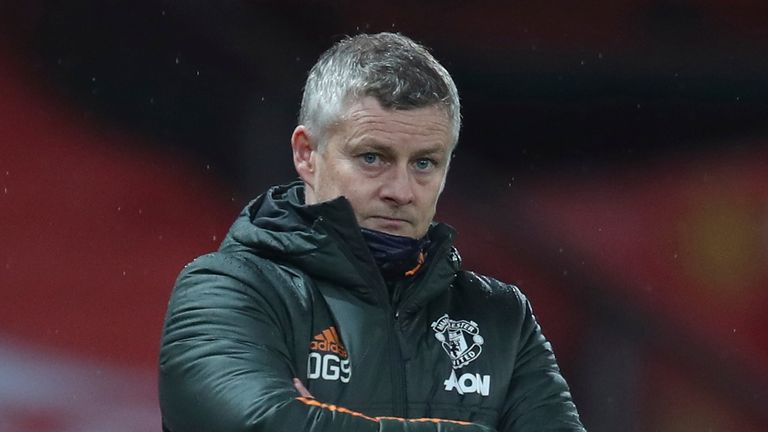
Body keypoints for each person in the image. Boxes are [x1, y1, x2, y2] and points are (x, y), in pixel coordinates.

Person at [158, 32, 586, 432]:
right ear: (307, 154)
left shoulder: (500, 316)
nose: (401, 192)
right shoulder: (227, 290)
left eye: (424, 163)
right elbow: (263, 423)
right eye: (372, 158)